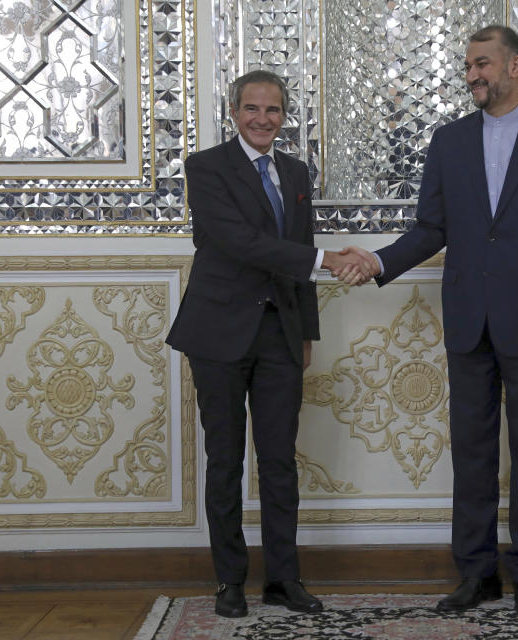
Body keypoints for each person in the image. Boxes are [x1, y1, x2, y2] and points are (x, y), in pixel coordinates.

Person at [342, 25, 518, 617]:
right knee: (472, 453)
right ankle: (476, 574)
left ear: (515, 67)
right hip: (468, 322)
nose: (473, 75)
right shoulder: (448, 142)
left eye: (483, 64)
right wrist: (377, 260)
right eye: (468, 66)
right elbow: (432, 228)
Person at [166, 70, 372, 618]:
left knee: (280, 461)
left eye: (273, 110)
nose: (263, 119)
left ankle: (284, 579)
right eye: (252, 108)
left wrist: (305, 331)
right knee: (226, 460)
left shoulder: (296, 172)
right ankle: (229, 581)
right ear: (233, 111)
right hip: (217, 335)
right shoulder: (205, 168)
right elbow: (240, 243)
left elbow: (296, 246)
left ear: (285, 116)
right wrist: (328, 260)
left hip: (280, 335)